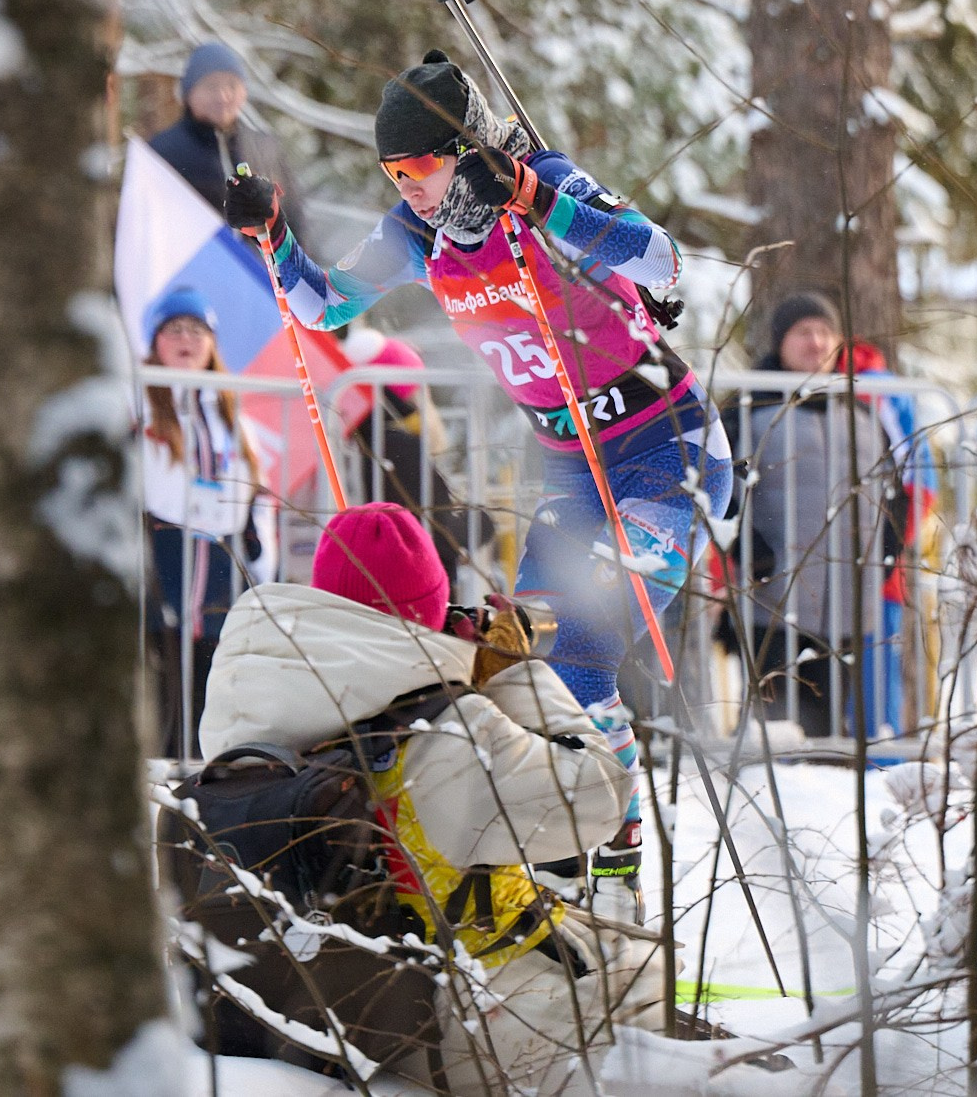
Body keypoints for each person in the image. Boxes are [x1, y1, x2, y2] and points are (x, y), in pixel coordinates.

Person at [224, 50, 733, 898]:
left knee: (584, 650)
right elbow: (326, 304)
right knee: (531, 669)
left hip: (665, 455)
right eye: (393, 171)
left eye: (422, 164)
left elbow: (664, 262)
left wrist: (538, 201)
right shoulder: (416, 230)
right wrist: (273, 237)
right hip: (573, 469)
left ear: (463, 150)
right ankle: (601, 857)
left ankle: (612, 867)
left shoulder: (539, 178)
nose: (409, 186)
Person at [195, 504, 653, 1096]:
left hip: (292, 1007)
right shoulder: (447, 733)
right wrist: (512, 671)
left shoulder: (243, 702)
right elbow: (599, 795)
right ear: (428, 609)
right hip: (437, 1025)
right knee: (652, 983)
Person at [724, 292, 911, 738]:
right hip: (772, 600)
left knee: (829, 729)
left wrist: (886, 548)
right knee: (773, 732)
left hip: (847, 599)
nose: (816, 342)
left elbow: (893, 489)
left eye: (826, 332)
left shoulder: (862, 410)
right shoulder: (748, 405)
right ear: (779, 341)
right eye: (803, 332)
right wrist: (749, 551)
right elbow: (718, 488)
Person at [138, 286, 277, 758]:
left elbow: (256, 492)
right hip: (161, 552)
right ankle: (159, 764)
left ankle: (200, 767)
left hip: (217, 556)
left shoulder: (228, 408)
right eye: (174, 329)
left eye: (197, 330)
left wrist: (261, 562)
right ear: (155, 341)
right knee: (161, 668)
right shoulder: (138, 400)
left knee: (211, 671)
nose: (187, 338)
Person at [339, 324, 488, 587]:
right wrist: (479, 524)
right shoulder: (397, 448)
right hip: (417, 590)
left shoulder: (356, 443)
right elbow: (435, 534)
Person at [147, 41, 306, 237]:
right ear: (189, 93)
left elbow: (293, 219)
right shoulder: (162, 153)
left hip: (258, 266)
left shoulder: (264, 148)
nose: (223, 96)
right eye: (211, 86)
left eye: (232, 85)